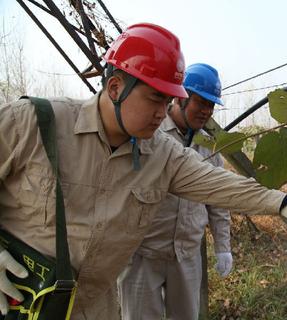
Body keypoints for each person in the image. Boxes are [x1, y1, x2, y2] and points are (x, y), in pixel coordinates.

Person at [0, 23, 287, 320]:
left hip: (94, 307)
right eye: (156, 99)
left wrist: (284, 203)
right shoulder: (34, 124)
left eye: (168, 100)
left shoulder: (163, 154)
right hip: (17, 302)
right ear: (115, 88)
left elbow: (219, 185)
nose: (162, 113)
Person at [117, 63, 233, 320]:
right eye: (201, 103)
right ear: (181, 98)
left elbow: (219, 201)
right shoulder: (149, 133)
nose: (206, 111)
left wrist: (223, 247)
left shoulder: (208, 148)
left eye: (211, 105)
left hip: (187, 255)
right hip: (142, 254)